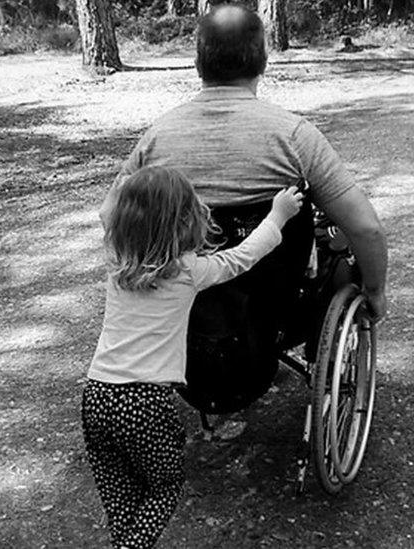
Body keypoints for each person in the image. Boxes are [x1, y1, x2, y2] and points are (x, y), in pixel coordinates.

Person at [99, 3, 388, 323]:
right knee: (334, 243)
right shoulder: (293, 136)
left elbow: (110, 215)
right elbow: (366, 228)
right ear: (263, 62)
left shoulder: (157, 138)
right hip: (273, 301)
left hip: (180, 307)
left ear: (198, 64)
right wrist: (374, 291)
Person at [82, 166, 303, 549]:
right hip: (145, 403)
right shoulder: (187, 272)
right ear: (184, 222)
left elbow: (106, 214)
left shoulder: (116, 261)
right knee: (164, 488)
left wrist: (128, 176)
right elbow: (245, 256)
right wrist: (278, 214)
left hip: (96, 396)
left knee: (122, 501)